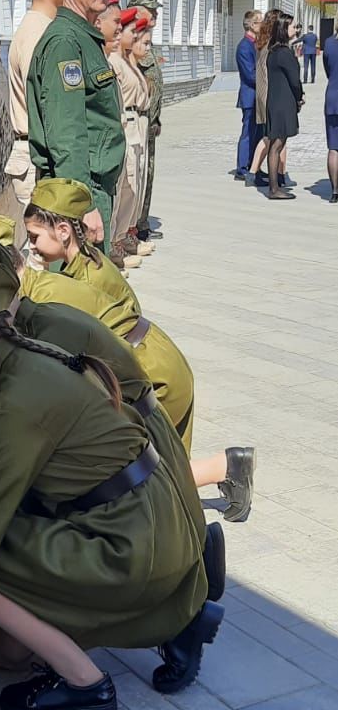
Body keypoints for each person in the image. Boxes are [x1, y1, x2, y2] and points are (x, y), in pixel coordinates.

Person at [0, 232, 223, 710]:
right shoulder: (28, 351)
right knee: (3, 653)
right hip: (144, 520)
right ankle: (178, 614)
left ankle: (87, 685)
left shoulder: (20, 392)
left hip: (130, 546)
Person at [0, 210, 226, 603]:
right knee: (158, 486)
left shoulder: (36, 304)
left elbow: (51, 406)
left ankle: (188, 596)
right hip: (140, 376)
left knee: (147, 490)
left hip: (149, 376)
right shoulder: (27, 300)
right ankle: (197, 563)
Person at [24, 178, 256, 520]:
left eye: (34, 237)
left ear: (62, 231)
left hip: (153, 373)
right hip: (155, 362)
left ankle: (227, 466)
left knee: (137, 477)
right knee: (152, 473)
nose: (31, 247)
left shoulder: (85, 281)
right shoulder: (87, 264)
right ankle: (227, 467)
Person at [26, 0, 127, 252]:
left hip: (90, 187)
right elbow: (66, 133)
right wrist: (82, 205)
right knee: (81, 294)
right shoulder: (65, 43)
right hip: (80, 191)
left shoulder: (82, 37)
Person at [7, 0, 72, 207]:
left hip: (41, 156)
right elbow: (49, 106)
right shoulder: (38, 32)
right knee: (49, 247)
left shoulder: (46, 27)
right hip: (40, 160)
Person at [110, 8, 152, 265]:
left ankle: (123, 235)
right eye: (132, 32)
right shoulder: (115, 62)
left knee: (134, 186)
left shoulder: (126, 61)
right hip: (125, 123)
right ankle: (116, 241)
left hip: (135, 123)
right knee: (125, 186)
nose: (137, 38)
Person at [128, 0, 164, 242]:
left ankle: (141, 222)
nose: (154, 17)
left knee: (147, 174)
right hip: (137, 120)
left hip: (149, 121)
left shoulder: (145, 38)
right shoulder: (132, 39)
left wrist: (157, 117)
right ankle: (135, 226)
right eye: (151, 11)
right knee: (138, 175)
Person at [264, 13, 303, 200]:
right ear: (283, 29)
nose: (295, 30)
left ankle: (274, 185)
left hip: (275, 101)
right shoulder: (284, 53)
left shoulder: (273, 51)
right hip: (283, 102)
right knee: (277, 145)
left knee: (276, 143)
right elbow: (295, 80)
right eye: (293, 26)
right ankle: (273, 189)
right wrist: (299, 98)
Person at [249, 9, 280, 187]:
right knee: (270, 136)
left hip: (263, 92)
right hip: (268, 93)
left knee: (270, 135)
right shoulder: (269, 44)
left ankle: (259, 172)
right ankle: (253, 172)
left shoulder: (262, 41)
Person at [234, 9, 262, 181]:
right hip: (250, 96)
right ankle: (242, 168)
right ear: (252, 25)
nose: (263, 25)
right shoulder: (244, 46)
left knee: (257, 133)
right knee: (248, 133)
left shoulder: (255, 43)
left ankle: (254, 166)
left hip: (258, 96)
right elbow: (250, 75)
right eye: (260, 22)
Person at [323, 26, 338, 202]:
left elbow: (327, 70)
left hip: (333, 96)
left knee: (334, 147)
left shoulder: (328, 44)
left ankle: (335, 191)